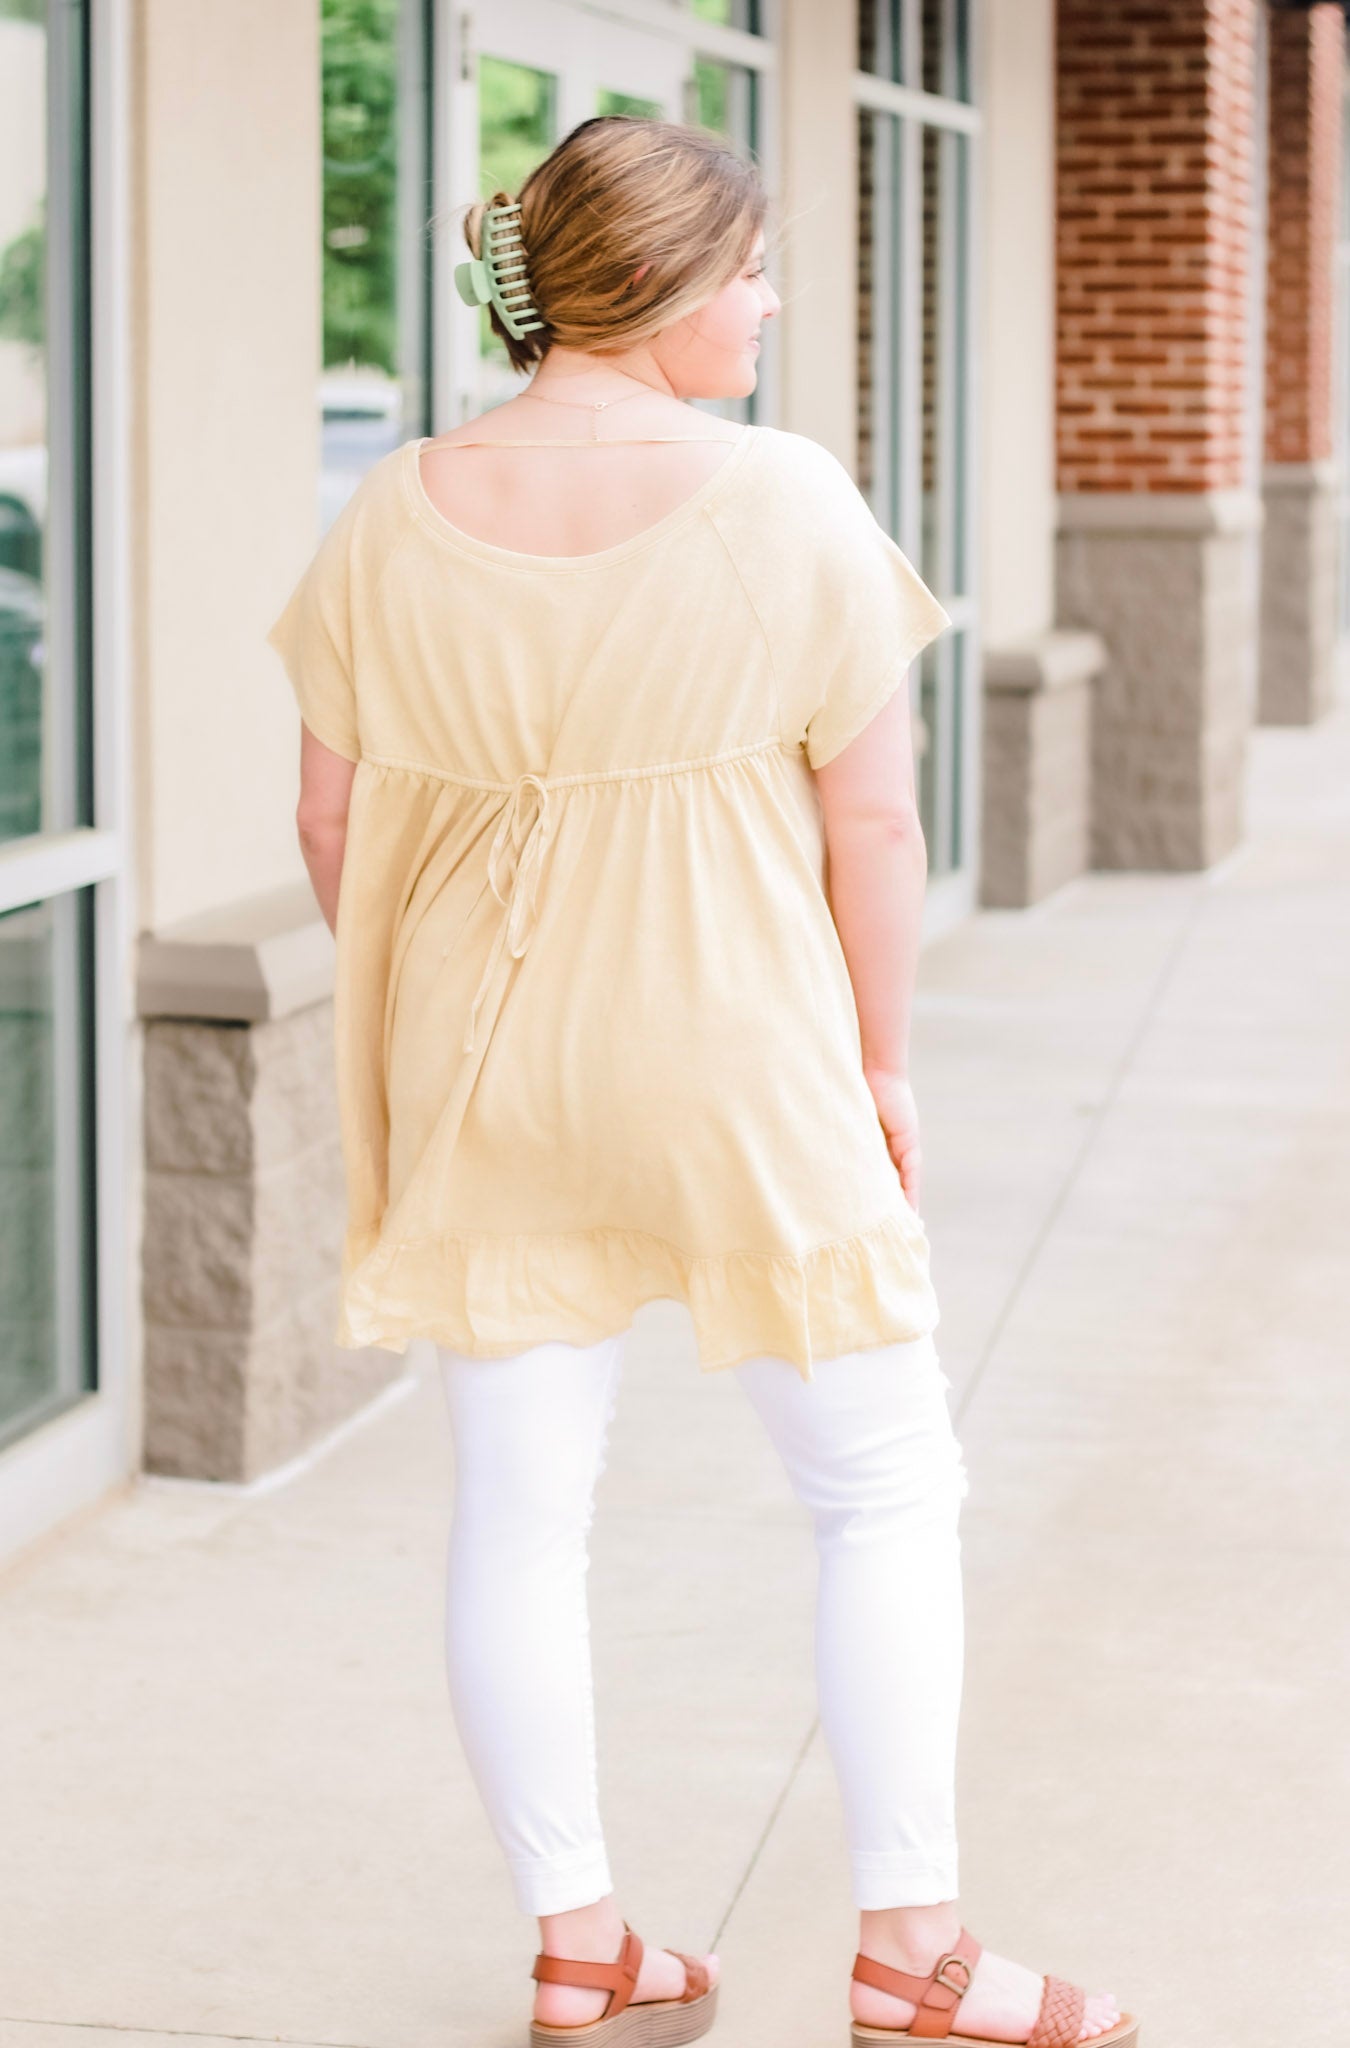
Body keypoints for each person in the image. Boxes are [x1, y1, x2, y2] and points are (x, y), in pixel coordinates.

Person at [267, 116, 1137, 2048]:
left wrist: (446, 995)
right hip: (740, 1057)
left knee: (519, 1513)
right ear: (656, 281)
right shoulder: (783, 497)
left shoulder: (393, 508)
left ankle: (580, 1943)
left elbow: (331, 821)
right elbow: (876, 826)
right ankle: (914, 1956)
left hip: (490, 1070)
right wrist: (883, 1062)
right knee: (883, 1486)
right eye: (746, 270)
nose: (766, 301)